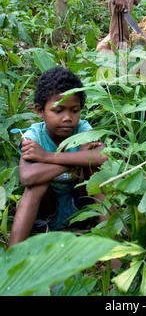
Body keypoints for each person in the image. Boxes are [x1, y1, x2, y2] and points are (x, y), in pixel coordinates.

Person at [7, 67, 109, 248]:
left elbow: (102, 158)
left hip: (81, 206)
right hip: (47, 210)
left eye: (74, 110)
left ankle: (116, 253)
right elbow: (27, 177)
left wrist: (46, 157)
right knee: (37, 184)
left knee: (94, 171)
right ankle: (10, 258)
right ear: (40, 111)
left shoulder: (82, 129)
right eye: (58, 111)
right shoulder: (34, 137)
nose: (68, 118)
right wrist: (79, 158)